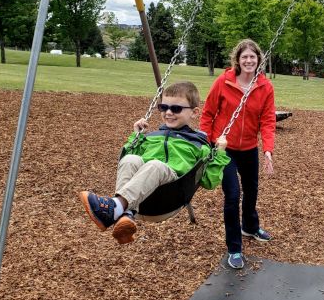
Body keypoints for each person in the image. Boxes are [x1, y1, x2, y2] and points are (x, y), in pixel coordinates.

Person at [79, 81, 229, 244]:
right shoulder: (152, 137)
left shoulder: (199, 144)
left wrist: (220, 153)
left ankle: (115, 207)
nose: (168, 112)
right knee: (130, 159)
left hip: (170, 198)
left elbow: (209, 182)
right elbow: (128, 165)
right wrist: (136, 136)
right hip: (141, 202)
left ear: (194, 112)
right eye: (163, 107)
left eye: (176, 108)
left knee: (155, 165)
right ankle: (125, 215)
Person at [200, 39, 276, 270]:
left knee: (252, 190)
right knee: (233, 195)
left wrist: (268, 150)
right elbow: (208, 114)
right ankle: (234, 247)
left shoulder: (265, 87)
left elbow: (268, 121)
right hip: (226, 148)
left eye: (252, 57)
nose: (249, 60)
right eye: (245, 57)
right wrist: (207, 142)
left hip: (249, 147)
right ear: (238, 59)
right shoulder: (223, 82)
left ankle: (250, 227)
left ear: (258, 59)